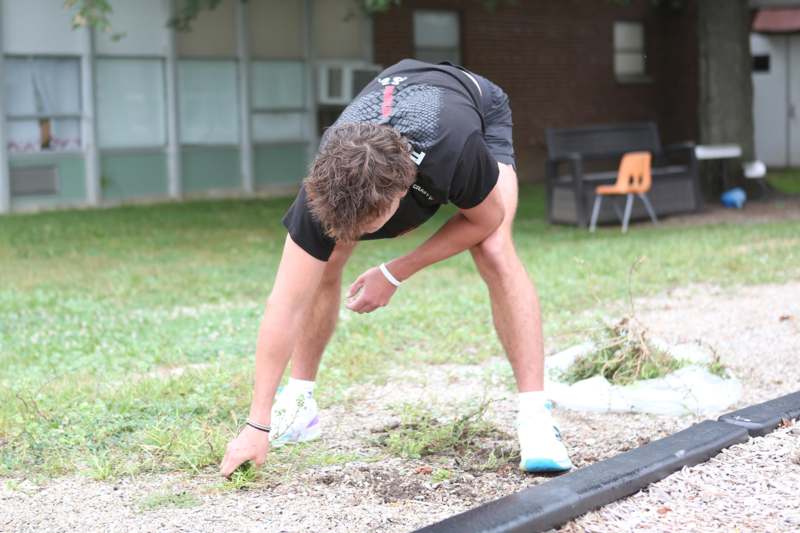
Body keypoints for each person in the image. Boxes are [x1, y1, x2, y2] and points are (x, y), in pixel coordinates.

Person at [219, 58, 573, 478]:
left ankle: (534, 415)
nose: (364, 236)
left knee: (494, 248)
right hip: (391, 102)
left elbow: (484, 219)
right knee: (329, 254)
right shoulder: (328, 176)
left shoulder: (453, 152)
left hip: (474, 104)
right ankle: (298, 405)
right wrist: (256, 423)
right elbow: (285, 304)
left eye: (372, 226)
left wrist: (395, 272)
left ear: (405, 193)